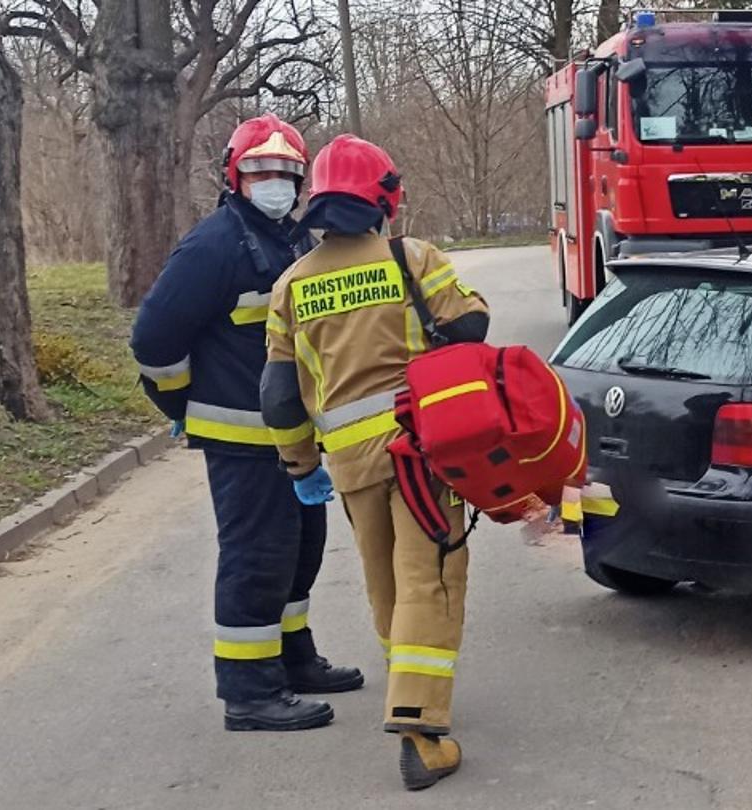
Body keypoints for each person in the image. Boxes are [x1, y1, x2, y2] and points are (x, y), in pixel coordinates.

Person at [260, 134, 491, 791]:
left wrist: (299, 466)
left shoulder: (291, 286)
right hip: (422, 450)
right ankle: (421, 730)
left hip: (351, 464)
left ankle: (408, 686)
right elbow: (473, 328)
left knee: (385, 578)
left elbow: (279, 396)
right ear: (384, 200)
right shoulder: (411, 259)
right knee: (430, 577)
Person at [131, 114, 364, 733]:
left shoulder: (288, 239)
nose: (276, 183)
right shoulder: (214, 245)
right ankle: (250, 691)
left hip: (291, 438)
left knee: (299, 550)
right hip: (242, 438)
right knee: (257, 557)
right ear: (236, 177)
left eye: (287, 173)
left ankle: (292, 659)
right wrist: (183, 405)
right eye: (262, 172)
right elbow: (154, 339)